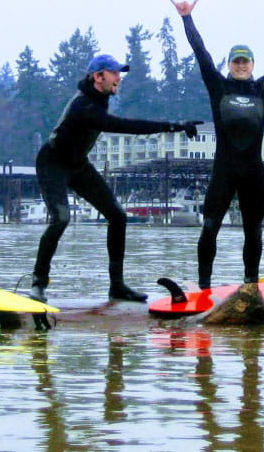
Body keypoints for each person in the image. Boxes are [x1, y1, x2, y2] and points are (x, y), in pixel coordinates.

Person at [171, 0, 264, 289]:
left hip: (253, 171)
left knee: (254, 231)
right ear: (229, 64)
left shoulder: (263, 89)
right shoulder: (219, 87)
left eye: (245, 61)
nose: (240, 66)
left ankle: (250, 286)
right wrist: (187, 19)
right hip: (224, 170)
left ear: (252, 65)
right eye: (236, 61)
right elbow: (201, 54)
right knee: (210, 227)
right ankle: (204, 287)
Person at [31, 54, 201, 303]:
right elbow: (125, 126)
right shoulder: (84, 107)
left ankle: (117, 287)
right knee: (61, 219)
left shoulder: (99, 99)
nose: (119, 79)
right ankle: (38, 285)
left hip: (78, 164)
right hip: (52, 164)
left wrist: (173, 126)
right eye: (114, 73)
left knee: (118, 217)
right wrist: (172, 126)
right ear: (98, 77)